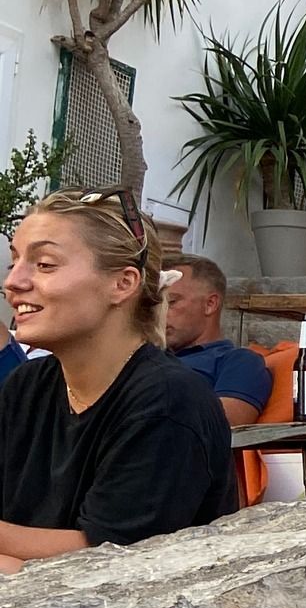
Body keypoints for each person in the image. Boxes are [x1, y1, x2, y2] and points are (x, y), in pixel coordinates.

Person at [0, 192, 234, 567]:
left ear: (123, 284)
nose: (13, 282)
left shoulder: (168, 402)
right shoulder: (27, 386)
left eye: (44, 264)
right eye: (14, 263)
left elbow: (109, 560)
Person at [162, 254, 273, 427]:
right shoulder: (144, 356)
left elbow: (223, 424)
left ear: (210, 304)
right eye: (154, 305)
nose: (158, 313)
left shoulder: (238, 361)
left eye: (171, 302)